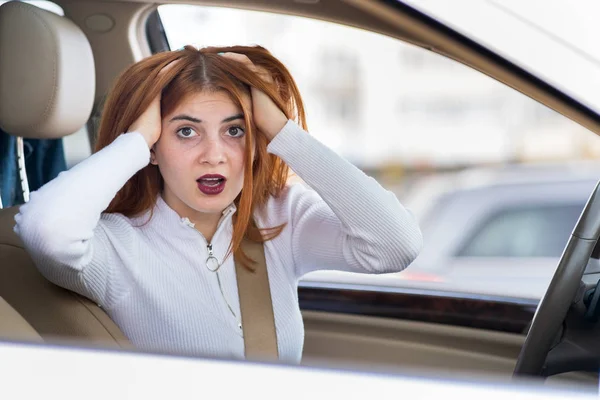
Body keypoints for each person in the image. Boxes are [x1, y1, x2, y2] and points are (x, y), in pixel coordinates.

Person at [13, 45, 423, 364]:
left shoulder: (281, 217)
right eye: (187, 131)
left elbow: (395, 245)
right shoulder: (116, 245)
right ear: (154, 146)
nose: (215, 154)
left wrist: (281, 129)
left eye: (235, 130)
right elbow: (46, 231)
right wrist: (137, 140)